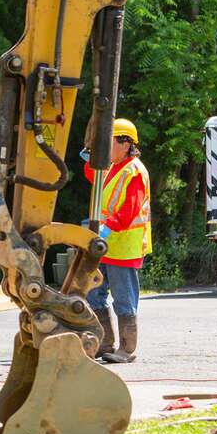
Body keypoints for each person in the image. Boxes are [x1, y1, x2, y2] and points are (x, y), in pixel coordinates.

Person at [83, 118, 152, 363]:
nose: (106, 148)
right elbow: (94, 177)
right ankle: (105, 343)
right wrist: (90, 156)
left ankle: (126, 349)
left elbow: (130, 209)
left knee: (123, 299)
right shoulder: (114, 166)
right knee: (94, 294)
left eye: (108, 142)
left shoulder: (135, 170)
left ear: (125, 143)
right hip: (106, 244)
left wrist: (107, 228)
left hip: (124, 246)